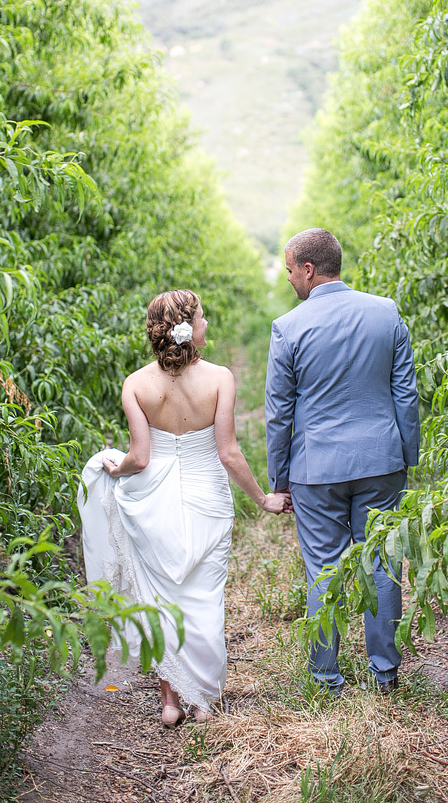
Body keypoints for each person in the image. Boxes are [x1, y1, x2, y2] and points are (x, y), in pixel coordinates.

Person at [78, 289, 289, 727]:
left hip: (153, 500)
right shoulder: (220, 378)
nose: (208, 324)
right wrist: (263, 498)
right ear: (189, 326)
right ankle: (203, 701)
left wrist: (114, 471)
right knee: (204, 598)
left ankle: (170, 702)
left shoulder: (135, 384)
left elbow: (139, 458)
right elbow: (228, 453)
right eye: (204, 317)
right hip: (206, 498)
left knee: (162, 596)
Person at [265, 229, 419, 694]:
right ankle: (384, 673)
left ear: (308, 270)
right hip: (381, 461)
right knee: (382, 563)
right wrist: (405, 457)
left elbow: (279, 412)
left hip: (316, 469)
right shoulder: (386, 312)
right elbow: (405, 395)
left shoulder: (288, 327)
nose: (290, 278)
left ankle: (326, 677)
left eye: (291, 269)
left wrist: (280, 479)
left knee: (324, 568)